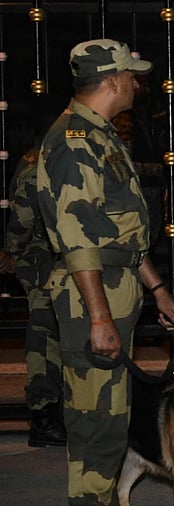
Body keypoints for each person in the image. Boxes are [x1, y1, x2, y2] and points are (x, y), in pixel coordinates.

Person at [35, 39, 174, 505]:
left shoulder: (100, 135)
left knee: (113, 416)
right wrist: (99, 318)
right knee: (96, 423)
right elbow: (79, 241)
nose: (138, 84)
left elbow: (118, 231)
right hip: (91, 296)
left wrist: (157, 289)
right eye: (131, 75)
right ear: (112, 80)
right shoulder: (74, 142)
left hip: (114, 287)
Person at [4, 146, 66, 447]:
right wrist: (14, 252)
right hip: (42, 261)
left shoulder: (40, 160)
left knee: (53, 335)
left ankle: (51, 412)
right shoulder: (39, 166)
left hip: (52, 259)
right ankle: (43, 416)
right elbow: (22, 222)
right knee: (44, 338)